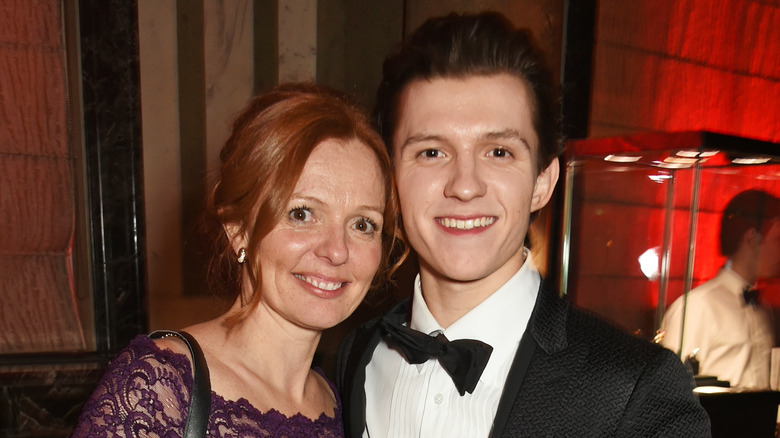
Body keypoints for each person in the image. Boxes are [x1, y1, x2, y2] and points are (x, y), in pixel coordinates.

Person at [337, 11, 711, 437]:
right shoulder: (358, 356)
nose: (464, 186)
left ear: (542, 182)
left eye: (498, 152)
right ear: (391, 182)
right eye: (431, 152)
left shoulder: (634, 388)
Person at [72, 83, 403, 437]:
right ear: (238, 230)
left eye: (363, 224)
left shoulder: (341, 405)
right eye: (302, 214)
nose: (337, 250)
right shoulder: (159, 387)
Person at [661, 189, 780, 389]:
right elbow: (669, 388)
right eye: (778, 239)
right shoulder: (698, 306)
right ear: (752, 238)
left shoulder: (762, 306)